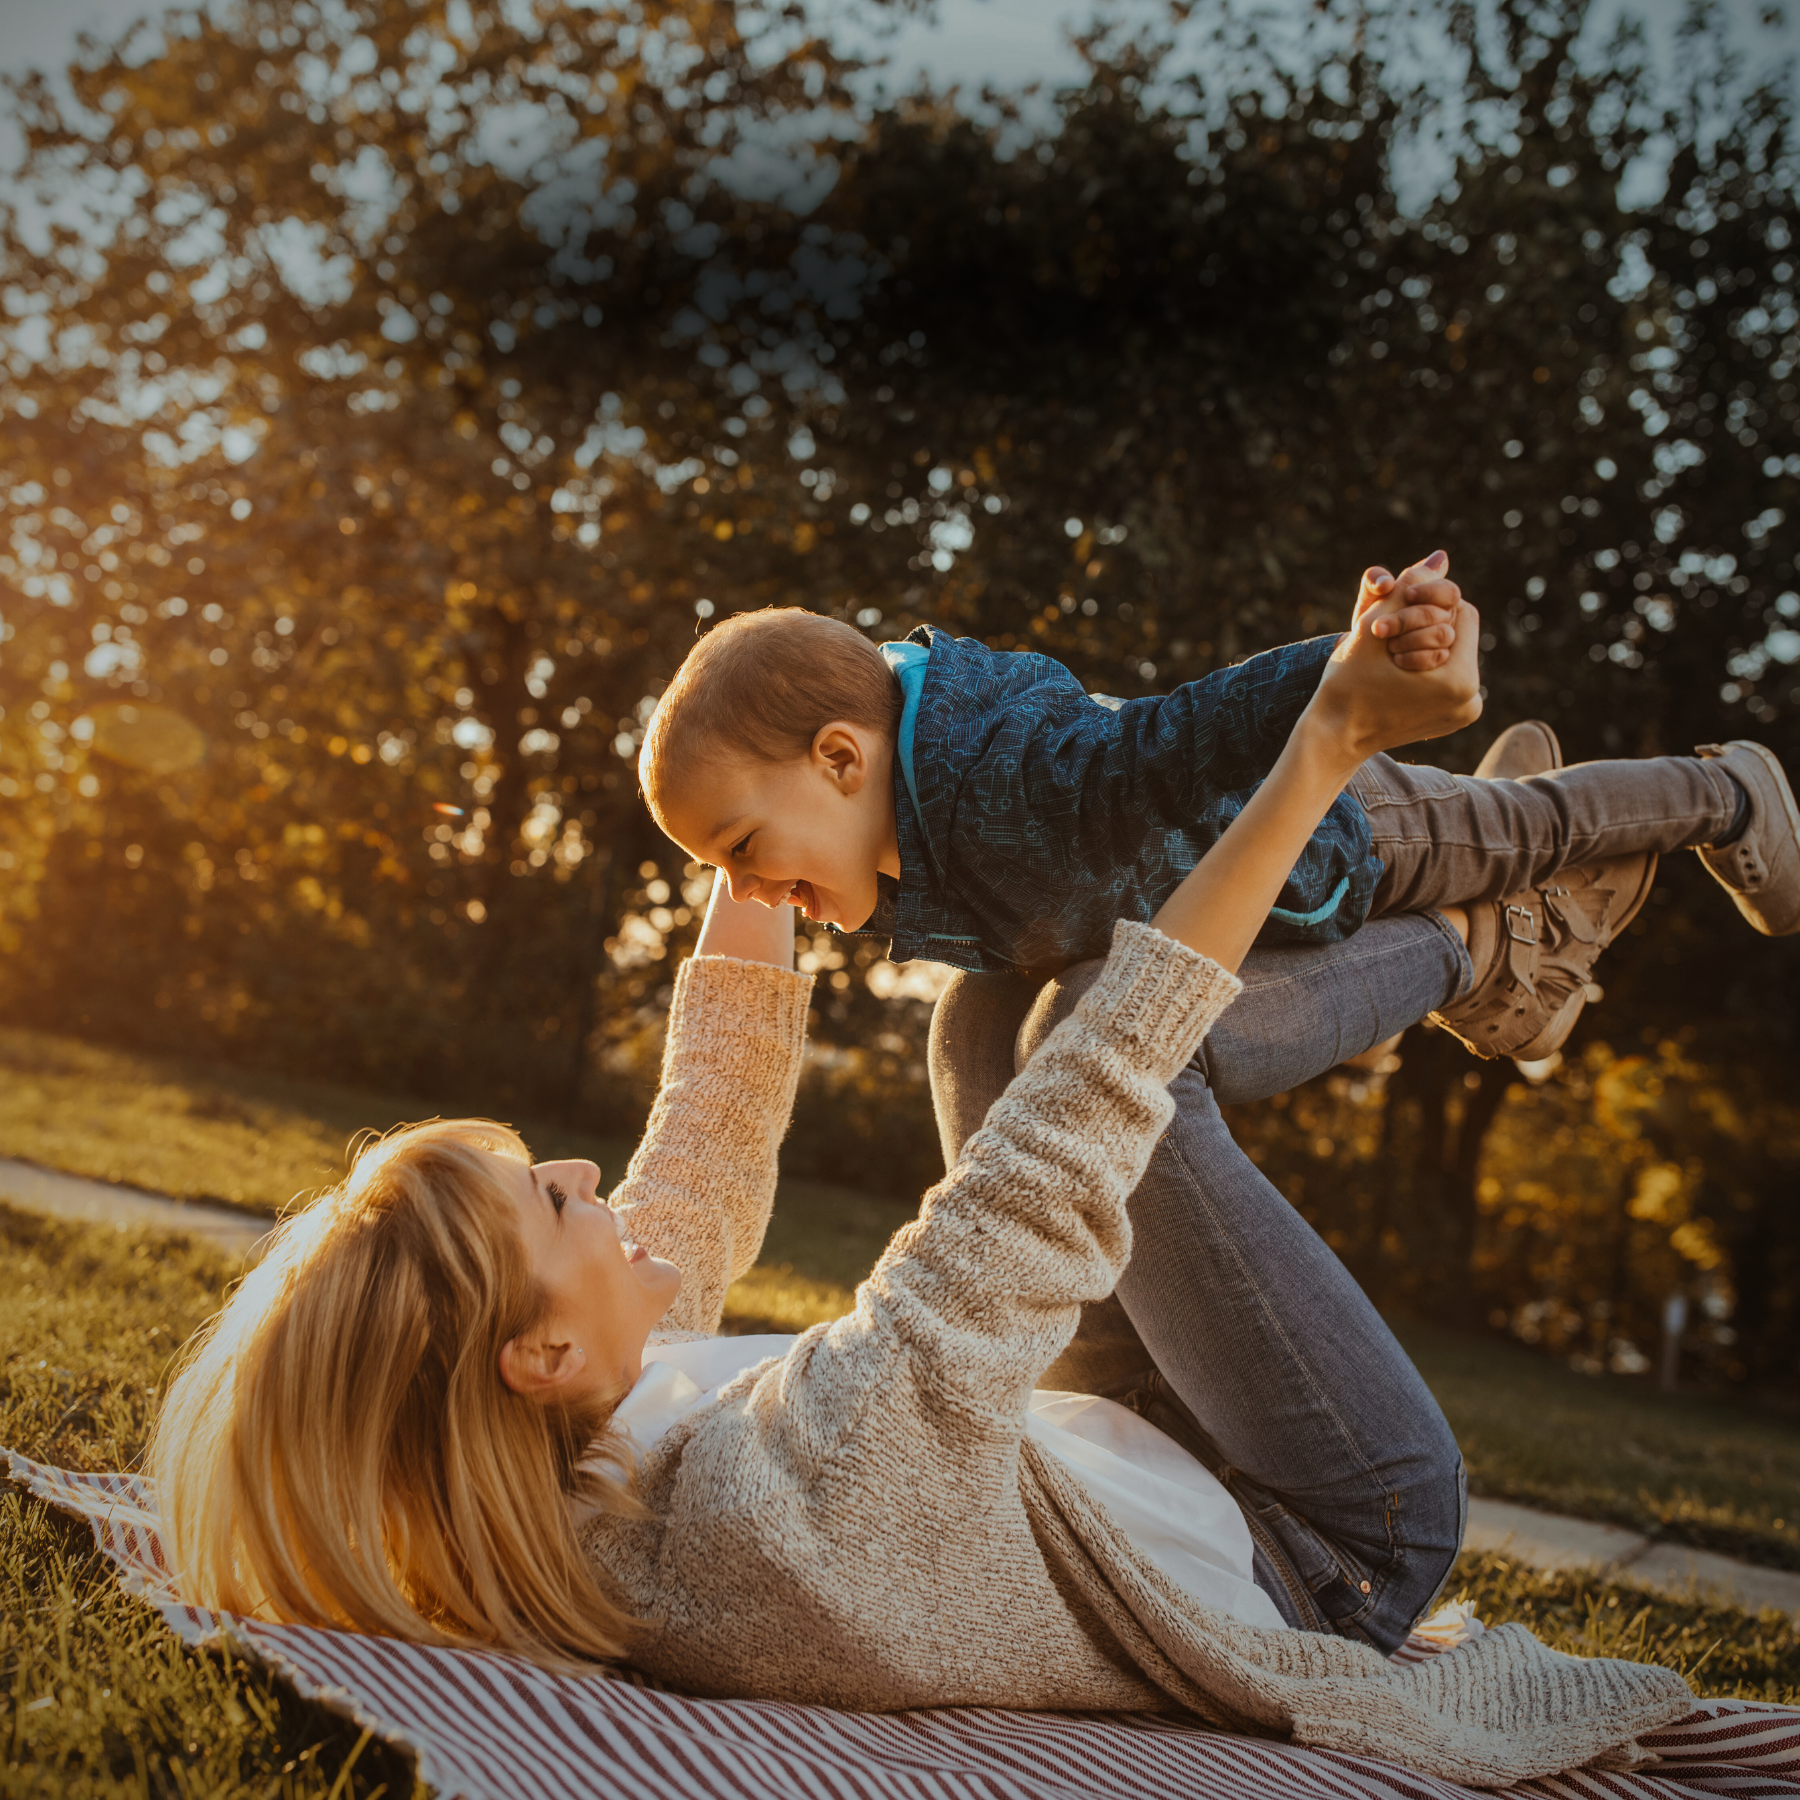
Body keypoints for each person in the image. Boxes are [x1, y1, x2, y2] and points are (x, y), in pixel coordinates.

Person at [152, 593, 1698, 1787]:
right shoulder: (784, 1505)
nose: (578, 1173)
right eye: (549, 1205)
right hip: (1320, 1544)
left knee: (978, 1012)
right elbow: (1102, 1080)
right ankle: (1494, 943)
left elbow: (708, 1130)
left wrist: (748, 825)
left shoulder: (575, 1438)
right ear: (536, 1350)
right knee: (1091, 1041)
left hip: (1128, 1466)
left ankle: (1494, 942)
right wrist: (1326, 746)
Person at [640, 571, 1800, 1062]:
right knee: (1504, 825)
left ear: (842, 757)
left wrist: (1358, 657)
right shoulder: (910, 856)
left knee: (1531, 827)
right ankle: (1509, 916)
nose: (741, 894)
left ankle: (1728, 792)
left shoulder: (1011, 779)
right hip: (1280, 903)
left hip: (1349, 830)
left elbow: (1180, 735)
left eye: (739, 849)